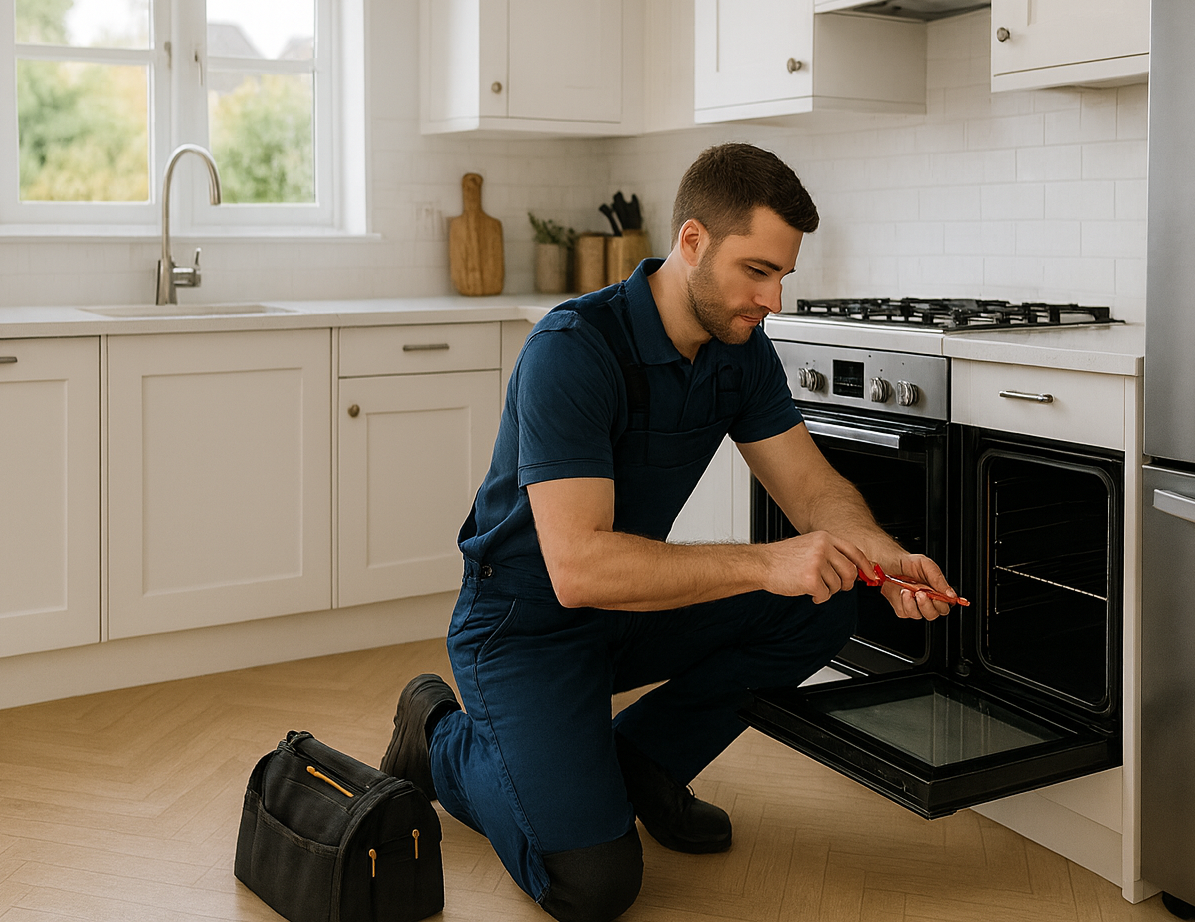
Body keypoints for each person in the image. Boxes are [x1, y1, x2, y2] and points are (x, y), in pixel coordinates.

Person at [380, 143, 956, 922]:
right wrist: (766, 562)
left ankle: (639, 765)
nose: (775, 300)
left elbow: (813, 486)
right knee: (595, 884)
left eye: (784, 274)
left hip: (628, 611)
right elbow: (578, 568)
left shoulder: (739, 352)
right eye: (758, 271)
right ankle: (441, 736)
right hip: (523, 626)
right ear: (692, 242)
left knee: (829, 597)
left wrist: (875, 552)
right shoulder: (573, 351)